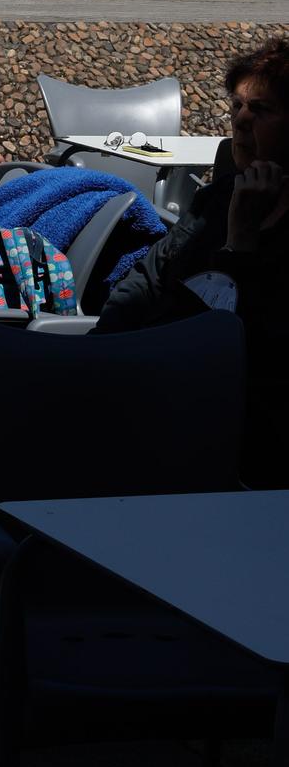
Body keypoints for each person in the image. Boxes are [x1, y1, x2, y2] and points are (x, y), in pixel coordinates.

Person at [96, 37, 289, 485]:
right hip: (160, 390)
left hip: (244, 433)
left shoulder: (245, 215)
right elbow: (146, 282)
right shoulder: (218, 198)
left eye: (261, 110)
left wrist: (240, 240)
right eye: (237, 106)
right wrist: (103, 357)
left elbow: (238, 339)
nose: (240, 121)